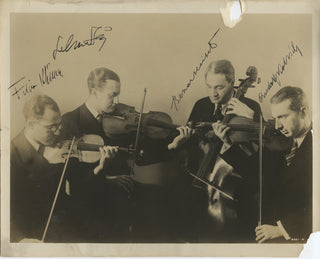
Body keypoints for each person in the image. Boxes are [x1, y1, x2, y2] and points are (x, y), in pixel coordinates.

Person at [61, 67, 192, 242]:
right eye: (112, 95)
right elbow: (72, 177)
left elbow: (142, 152)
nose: (117, 101)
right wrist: (108, 179)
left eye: (119, 94)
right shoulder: (71, 121)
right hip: (96, 194)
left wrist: (173, 144)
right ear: (94, 92)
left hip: (126, 185)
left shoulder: (120, 117)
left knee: (168, 200)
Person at [10, 94, 117, 242]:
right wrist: (20, 239)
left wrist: (99, 167)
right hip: (36, 232)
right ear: (31, 125)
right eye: (51, 127)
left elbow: (77, 188)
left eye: (59, 124)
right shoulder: (11, 154)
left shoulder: (59, 145)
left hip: (67, 220)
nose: (58, 131)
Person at [183, 60, 262, 242]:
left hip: (234, 181)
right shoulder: (201, 105)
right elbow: (192, 144)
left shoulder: (250, 107)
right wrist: (185, 139)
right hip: (203, 175)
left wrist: (228, 142)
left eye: (219, 87)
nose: (213, 93)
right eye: (209, 87)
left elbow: (254, 155)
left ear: (232, 83)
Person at [255, 86, 312, 243]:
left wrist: (282, 229)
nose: (277, 126)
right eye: (275, 118)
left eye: (283, 117)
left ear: (304, 112)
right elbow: (256, 171)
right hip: (272, 226)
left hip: (299, 238)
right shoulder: (284, 143)